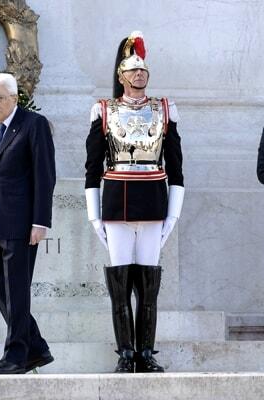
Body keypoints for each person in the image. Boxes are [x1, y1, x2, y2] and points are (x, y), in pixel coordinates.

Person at [84, 31, 184, 373]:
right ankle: (126, 352)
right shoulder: (104, 110)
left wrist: (174, 213)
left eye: (143, 69)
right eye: (132, 69)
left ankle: (146, 353)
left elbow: (177, 167)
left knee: (148, 284)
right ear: (121, 76)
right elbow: (92, 166)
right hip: (116, 201)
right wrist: (93, 215)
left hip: (153, 198)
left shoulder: (164, 109)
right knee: (120, 281)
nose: (139, 74)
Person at [0, 73, 56, 374]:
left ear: (14, 98)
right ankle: (36, 347)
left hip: (22, 225)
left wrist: (40, 221)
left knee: (17, 290)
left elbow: (45, 175)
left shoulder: (33, 125)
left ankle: (16, 355)